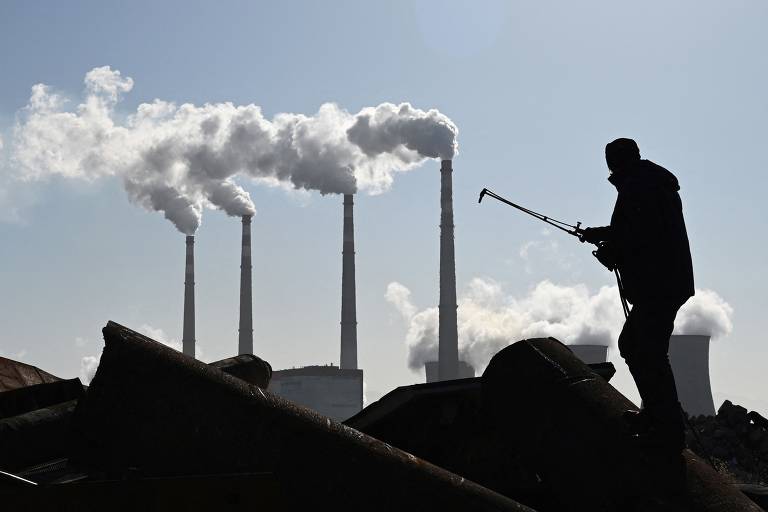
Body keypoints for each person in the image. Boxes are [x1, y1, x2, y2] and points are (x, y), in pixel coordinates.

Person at [580, 138, 694, 453]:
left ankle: (666, 427)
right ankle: (658, 418)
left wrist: (611, 252)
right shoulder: (647, 183)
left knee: (643, 348)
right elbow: (636, 228)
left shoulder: (638, 187)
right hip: (666, 283)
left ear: (615, 161)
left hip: (660, 285)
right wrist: (604, 236)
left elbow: (641, 235)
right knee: (642, 347)